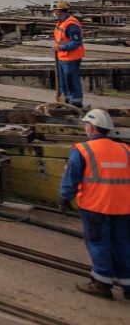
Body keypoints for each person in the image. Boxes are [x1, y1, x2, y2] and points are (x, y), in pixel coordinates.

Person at [58, 108, 130, 299]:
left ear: (91, 128)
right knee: (123, 243)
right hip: (123, 207)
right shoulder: (125, 150)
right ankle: (128, 283)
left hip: (95, 206)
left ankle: (102, 282)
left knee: (99, 242)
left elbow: (71, 176)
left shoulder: (83, 150)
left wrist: (65, 197)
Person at [52, 0, 86, 108]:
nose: (53, 13)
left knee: (71, 81)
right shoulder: (61, 22)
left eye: (55, 10)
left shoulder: (71, 24)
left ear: (60, 11)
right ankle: (65, 101)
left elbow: (77, 41)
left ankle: (76, 103)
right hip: (62, 57)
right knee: (63, 82)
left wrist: (61, 47)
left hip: (71, 58)